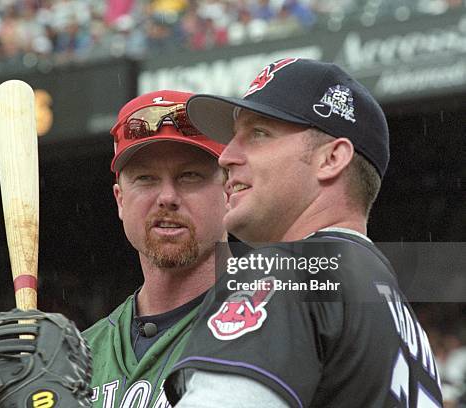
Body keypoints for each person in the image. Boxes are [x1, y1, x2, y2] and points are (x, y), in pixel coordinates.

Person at [164, 58, 444, 407]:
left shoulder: (287, 271)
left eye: (258, 134)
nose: (226, 157)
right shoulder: (398, 314)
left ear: (331, 159)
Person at [82, 90, 227, 407]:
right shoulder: (79, 357)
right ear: (120, 199)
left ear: (231, 190)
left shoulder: (273, 325)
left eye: (189, 176)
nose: (167, 196)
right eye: (146, 178)